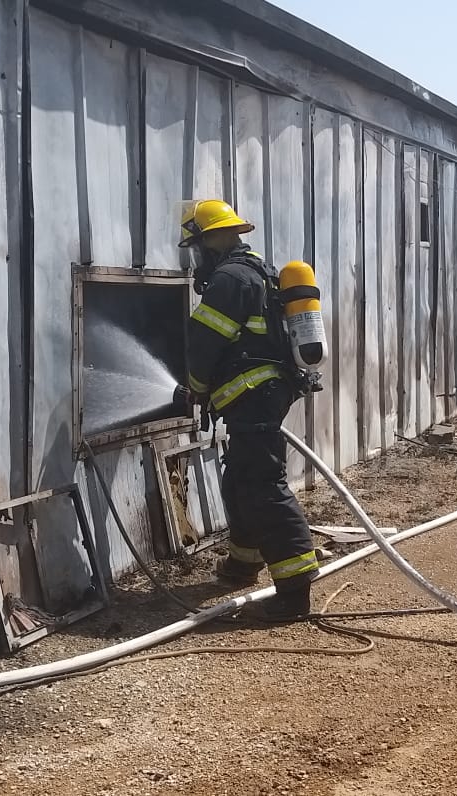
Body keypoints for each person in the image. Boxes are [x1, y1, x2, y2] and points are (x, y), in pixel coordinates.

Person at [178, 199, 317, 620]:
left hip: (253, 393)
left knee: (261, 485)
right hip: (262, 392)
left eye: (197, 247)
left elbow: (204, 343)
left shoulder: (230, 278)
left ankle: (294, 591)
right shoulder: (259, 271)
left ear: (210, 241)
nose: (197, 257)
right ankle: (243, 563)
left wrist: (195, 388)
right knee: (240, 477)